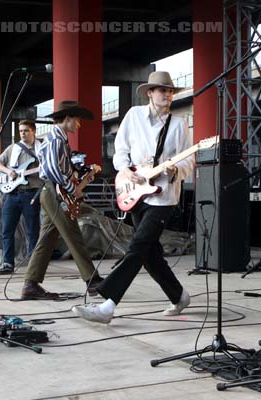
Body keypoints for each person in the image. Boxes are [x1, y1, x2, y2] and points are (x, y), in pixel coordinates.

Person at [72, 71, 194, 323]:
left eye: (170, 91)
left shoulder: (179, 124)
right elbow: (120, 152)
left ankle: (108, 304)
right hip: (136, 192)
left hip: (164, 196)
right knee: (150, 254)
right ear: (150, 92)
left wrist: (175, 170)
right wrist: (126, 170)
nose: (168, 95)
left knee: (138, 246)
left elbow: (189, 161)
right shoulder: (133, 116)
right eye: (162, 90)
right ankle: (179, 295)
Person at [21, 101, 103, 300]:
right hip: (55, 193)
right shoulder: (56, 140)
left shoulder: (57, 139)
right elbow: (52, 170)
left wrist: (78, 177)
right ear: (67, 118)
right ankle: (93, 281)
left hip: (51, 192)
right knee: (73, 235)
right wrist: (71, 188)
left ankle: (30, 285)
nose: (78, 124)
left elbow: (58, 169)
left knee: (46, 239)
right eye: (77, 120)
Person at [0, 120, 42, 274]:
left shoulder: (42, 149)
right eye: (20, 131)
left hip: (31, 193)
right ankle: (7, 264)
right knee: (7, 230)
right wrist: (8, 172)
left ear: (33, 130)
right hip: (12, 195)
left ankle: (33, 266)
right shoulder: (13, 148)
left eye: (26, 130)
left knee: (32, 231)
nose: (22, 133)